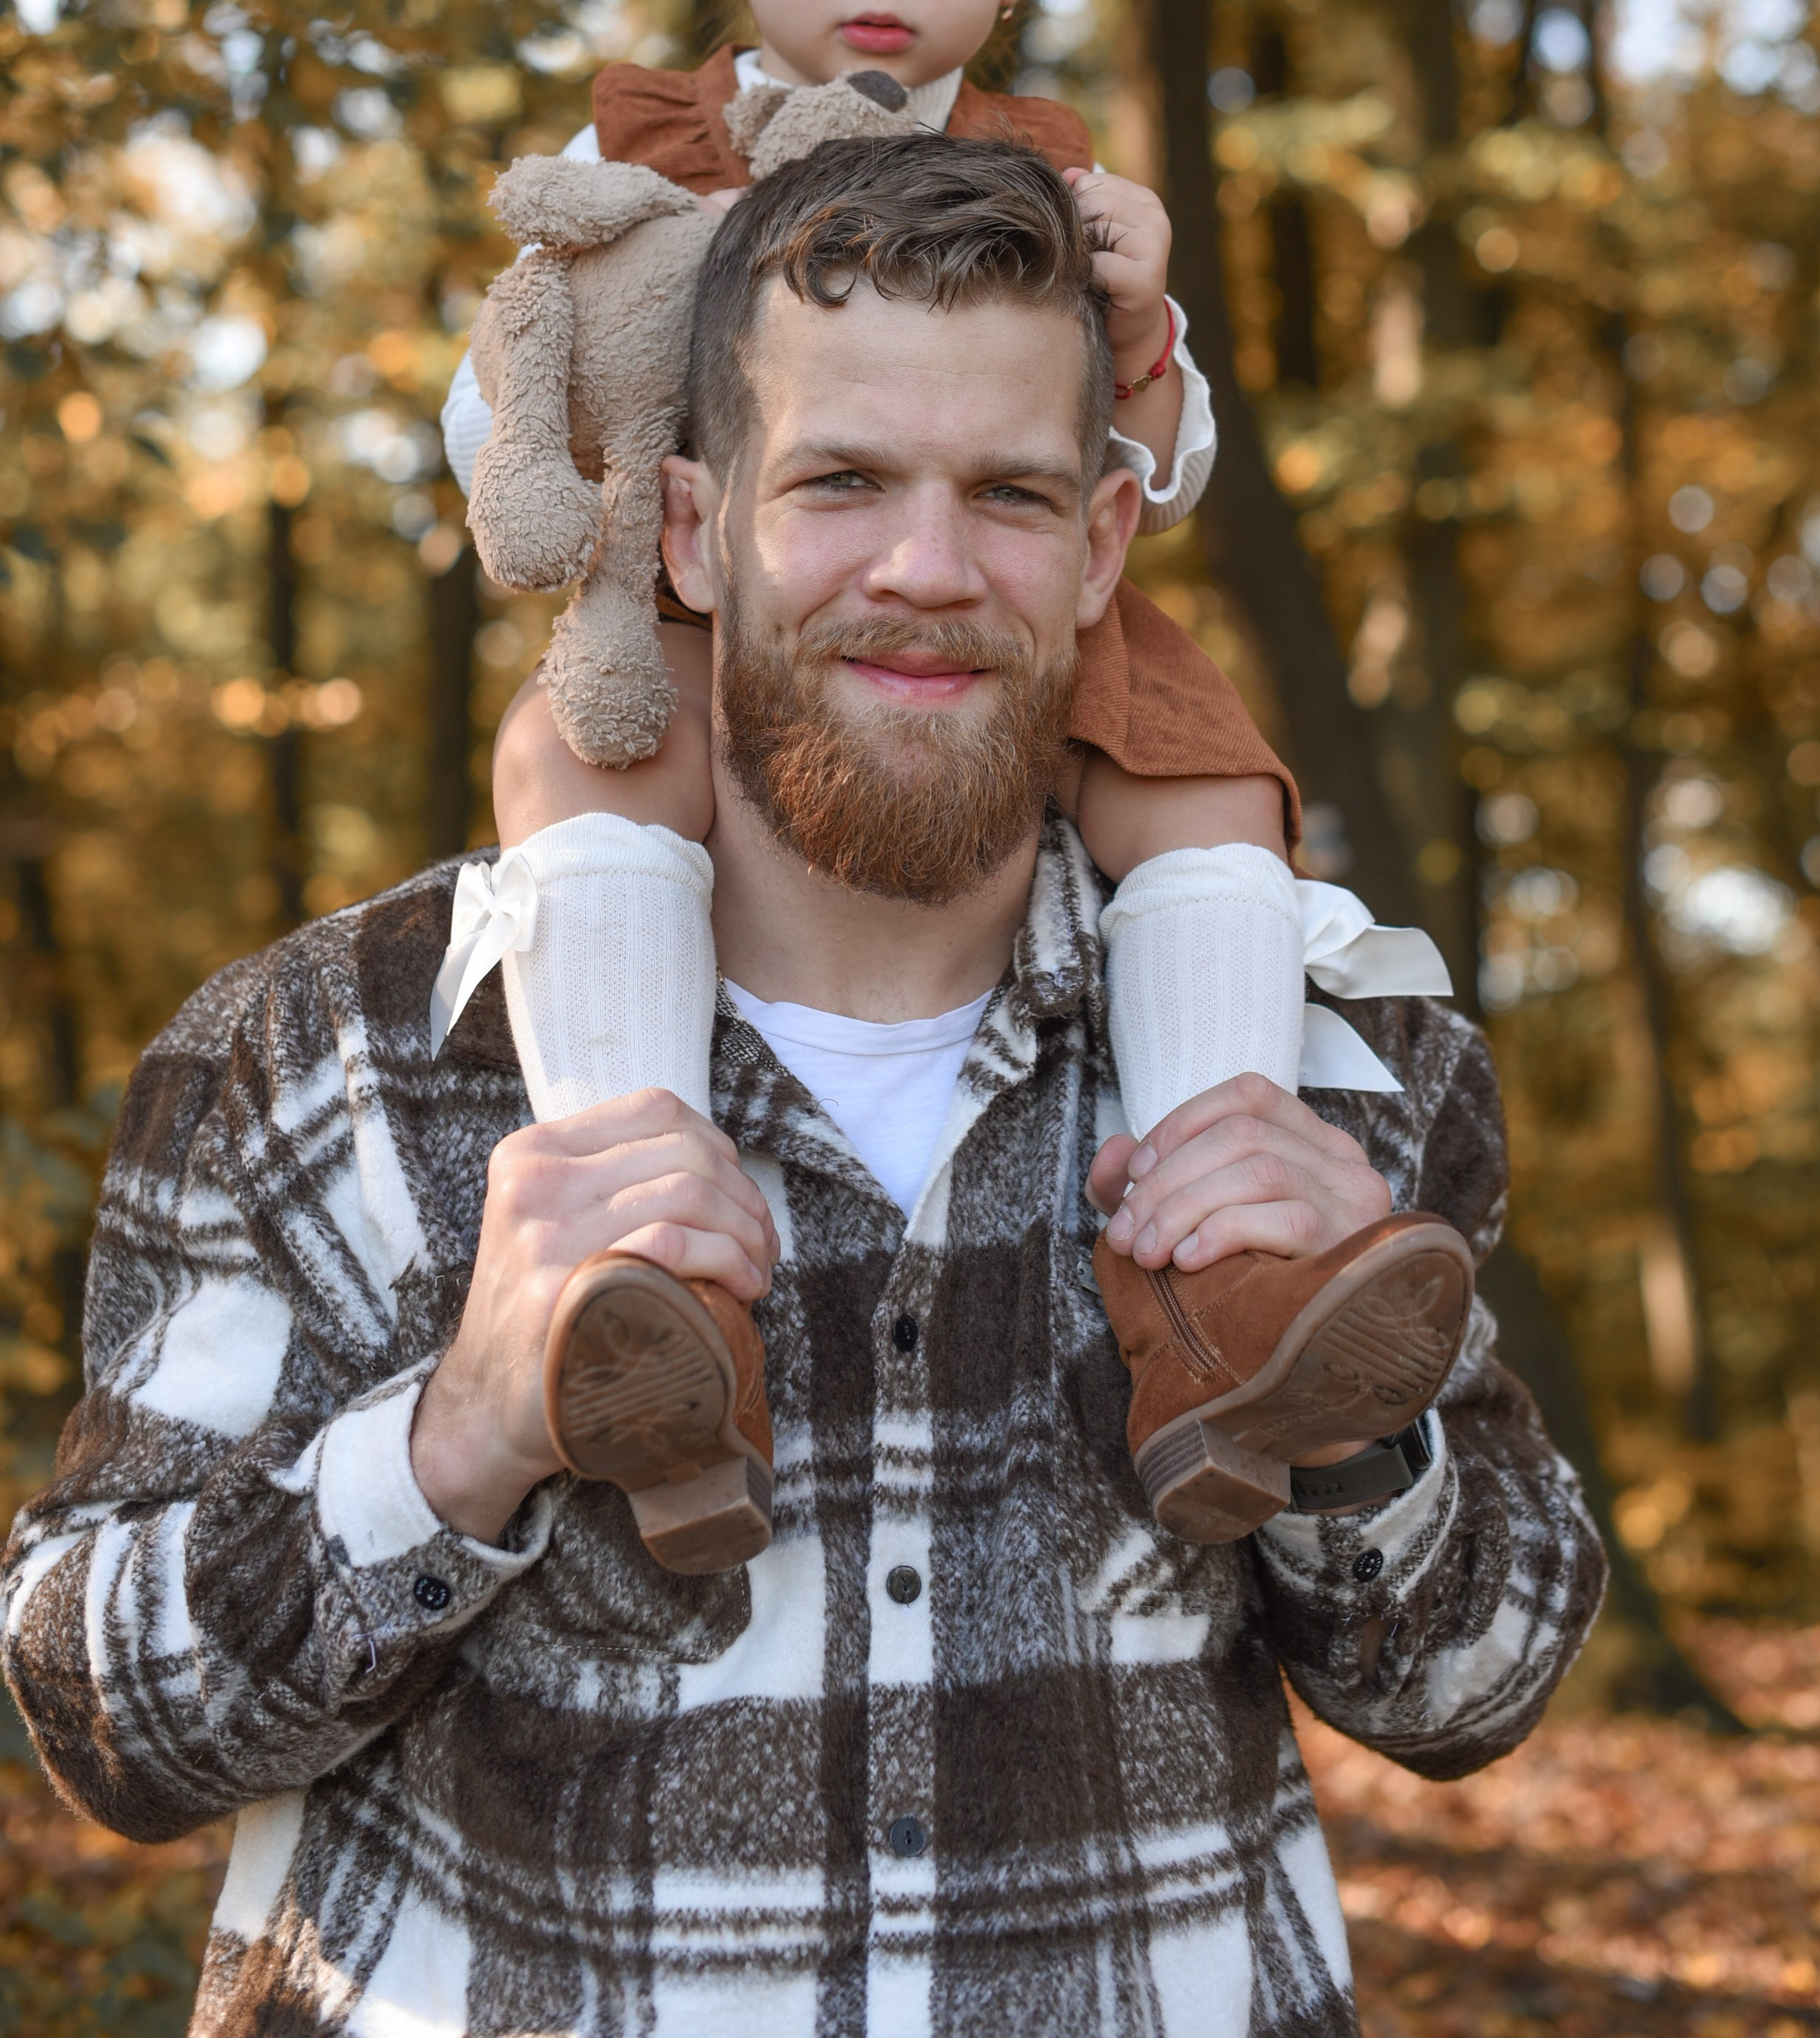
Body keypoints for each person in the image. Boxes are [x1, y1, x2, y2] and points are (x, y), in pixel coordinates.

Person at [2, 133, 1603, 2037]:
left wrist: (1358, 1434)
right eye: (840, 482)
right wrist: (459, 1437)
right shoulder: (328, 1053)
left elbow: (1478, 1689)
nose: (926, 569)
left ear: (1102, 544)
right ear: (689, 529)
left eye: (1007, 494)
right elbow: (100, 1723)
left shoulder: (1333, 1065)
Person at [435, 0, 1464, 1557]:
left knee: (1213, 797)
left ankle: (1221, 1276)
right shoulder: (640, 153)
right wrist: (608, 410)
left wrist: (1143, 326)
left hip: (1040, 638)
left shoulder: (1052, 181)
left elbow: (1168, 464)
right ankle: (640, 1264)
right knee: (574, 762)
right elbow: (501, 393)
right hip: (704, 616)